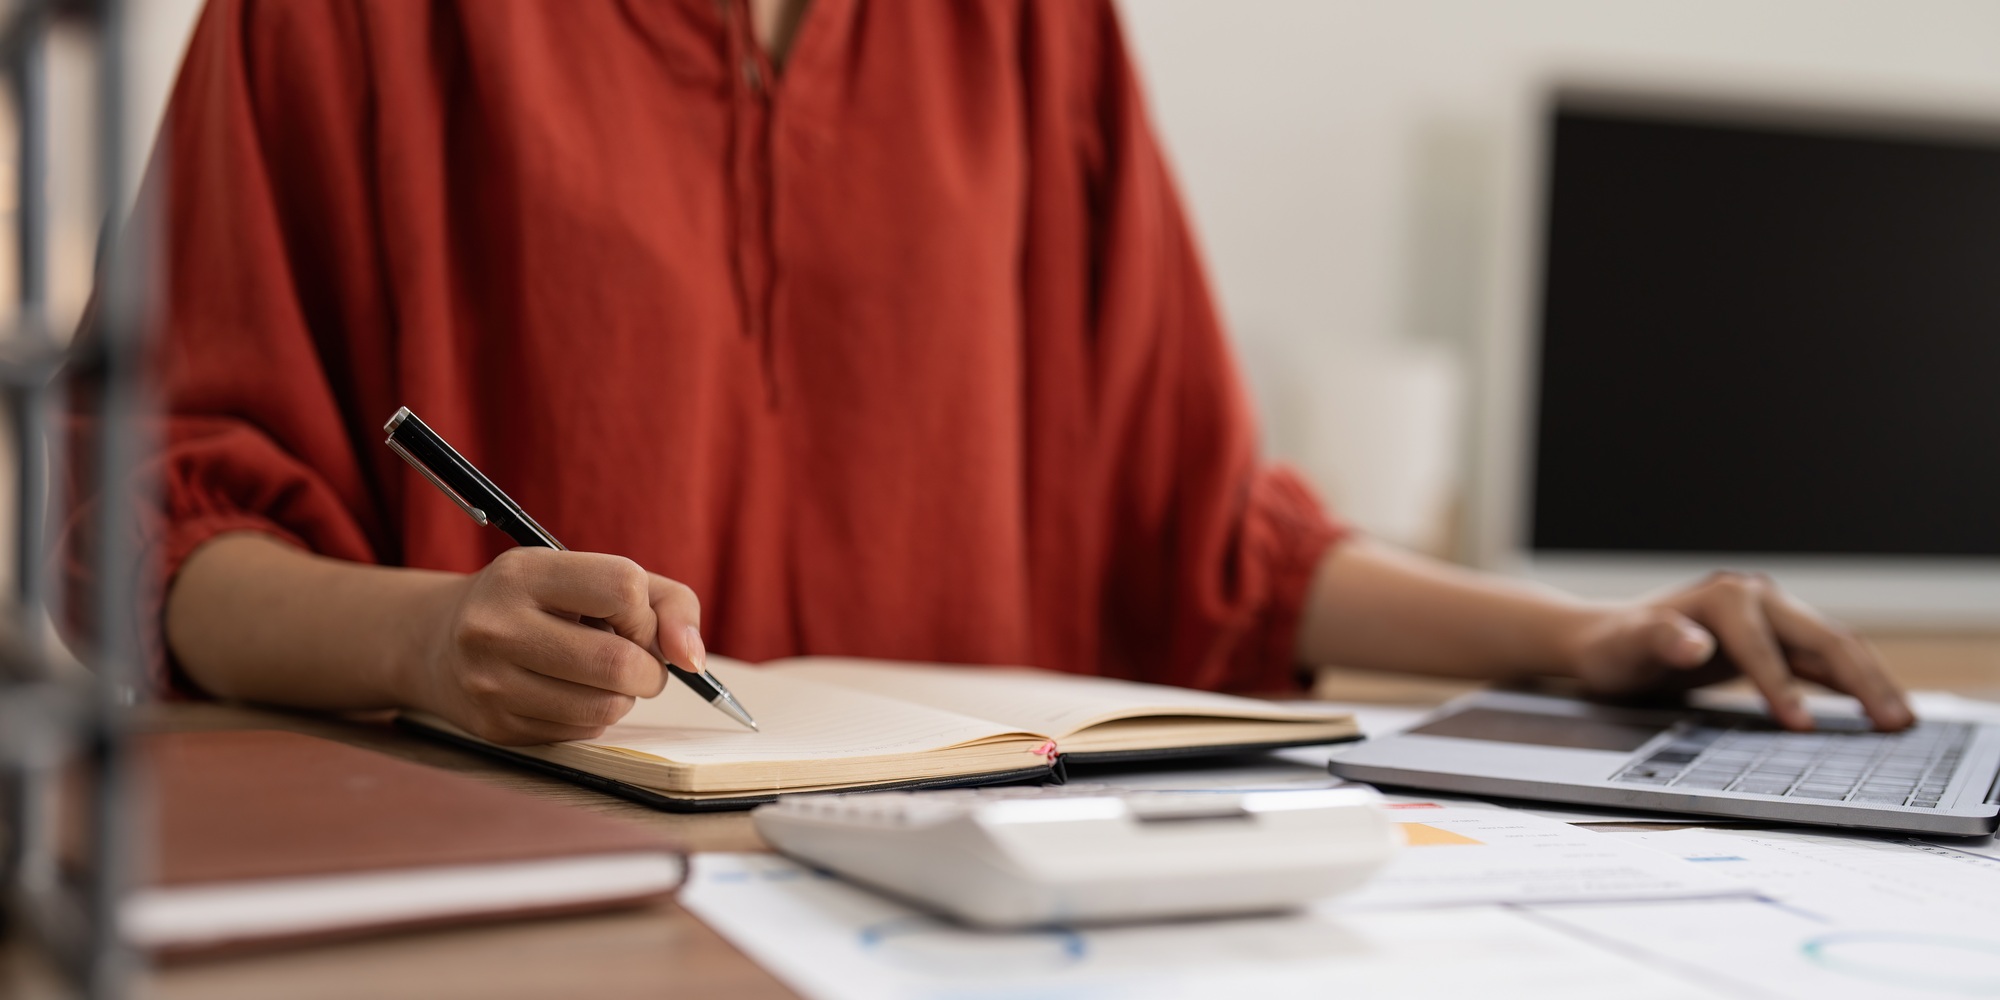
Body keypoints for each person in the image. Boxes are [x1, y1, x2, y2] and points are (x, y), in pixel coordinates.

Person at [117, 0, 1911, 748]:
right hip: (516, 914)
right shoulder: (337, 16)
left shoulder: (1030, 27)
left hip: (964, 915)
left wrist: (1575, 640)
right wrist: (428, 643)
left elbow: (1204, 542)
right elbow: (170, 538)